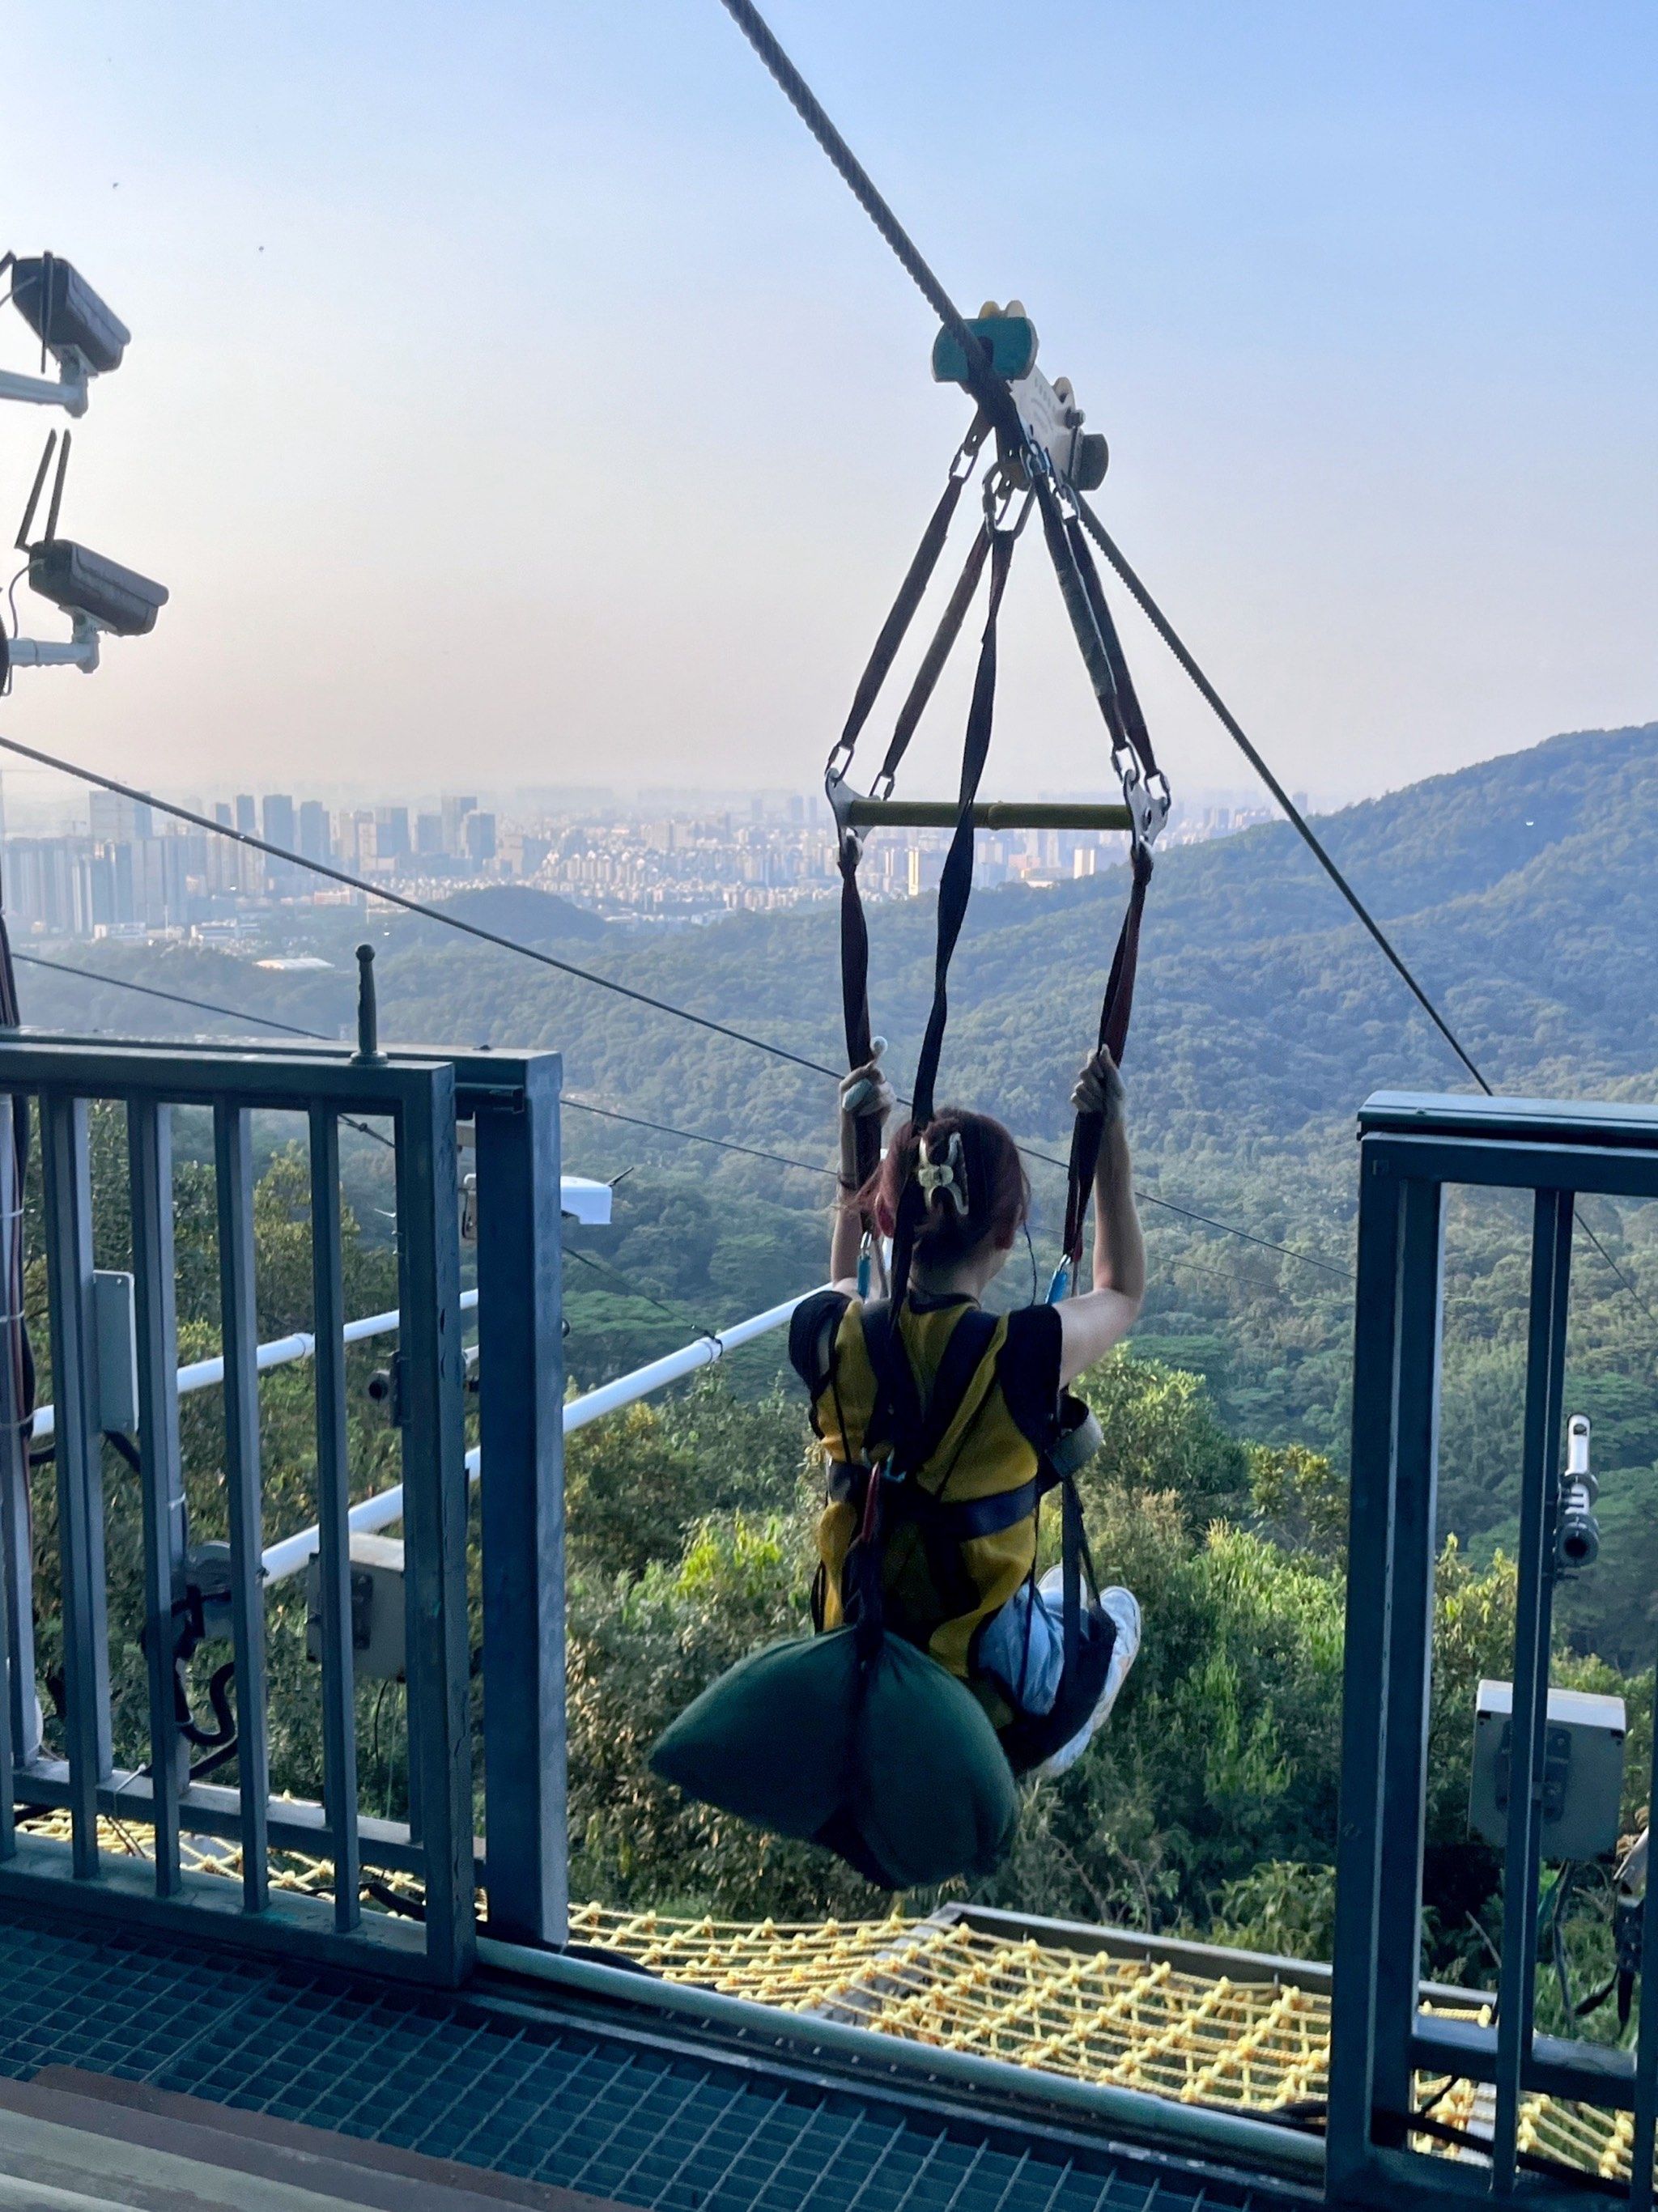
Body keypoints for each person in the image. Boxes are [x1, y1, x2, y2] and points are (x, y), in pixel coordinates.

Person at [787, 1046, 1145, 1780]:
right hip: (984, 1693)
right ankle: (1037, 1749)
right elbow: (1121, 1289)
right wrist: (1109, 1138)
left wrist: (858, 1146)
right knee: (1115, 1610)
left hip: (858, 1638)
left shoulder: (832, 1339)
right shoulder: (1025, 1353)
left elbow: (841, 1282)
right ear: (1008, 1233)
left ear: (891, 1213)